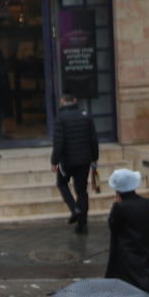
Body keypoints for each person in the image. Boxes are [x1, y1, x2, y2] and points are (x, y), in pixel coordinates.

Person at [50, 92, 99, 233]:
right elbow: (93, 139)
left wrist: (54, 161)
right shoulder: (86, 116)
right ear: (75, 100)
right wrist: (94, 158)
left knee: (62, 184)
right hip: (84, 160)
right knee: (82, 191)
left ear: (63, 101)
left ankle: (74, 209)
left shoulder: (61, 118)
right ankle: (82, 224)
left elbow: (58, 142)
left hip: (67, 161)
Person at [103, 168, 149, 294]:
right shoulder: (147, 203)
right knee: (144, 285)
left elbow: (113, 226)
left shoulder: (119, 207)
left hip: (125, 254)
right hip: (144, 251)